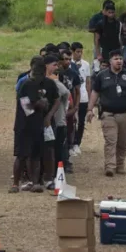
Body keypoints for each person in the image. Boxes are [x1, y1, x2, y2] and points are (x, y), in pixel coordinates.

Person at [87, 50, 126, 177]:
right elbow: (95, 93)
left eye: (120, 58)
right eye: (116, 58)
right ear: (110, 61)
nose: (119, 61)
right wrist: (90, 110)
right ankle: (110, 166)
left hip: (125, 114)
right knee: (110, 140)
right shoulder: (102, 76)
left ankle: (120, 164)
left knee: (123, 141)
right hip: (108, 113)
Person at [12, 56, 58, 193]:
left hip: (40, 125)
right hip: (24, 125)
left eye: (38, 74)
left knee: (36, 155)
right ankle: (15, 183)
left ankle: (35, 182)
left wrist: (48, 115)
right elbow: (26, 107)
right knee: (21, 154)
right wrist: (38, 104)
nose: (35, 77)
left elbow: (56, 100)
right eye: (34, 73)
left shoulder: (49, 84)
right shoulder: (26, 85)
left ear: (44, 72)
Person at [48, 58, 71, 188]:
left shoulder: (57, 83)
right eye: (54, 64)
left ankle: (58, 175)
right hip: (49, 122)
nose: (56, 68)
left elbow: (67, 94)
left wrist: (66, 108)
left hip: (59, 121)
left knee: (58, 149)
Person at [71, 42, 91, 157]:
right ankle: (71, 141)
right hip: (73, 96)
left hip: (83, 96)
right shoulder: (69, 64)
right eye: (77, 52)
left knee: (81, 121)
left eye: (81, 52)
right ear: (73, 52)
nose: (79, 54)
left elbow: (88, 82)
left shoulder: (86, 64)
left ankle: (77, 143)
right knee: (72, 120)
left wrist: (89, 97)